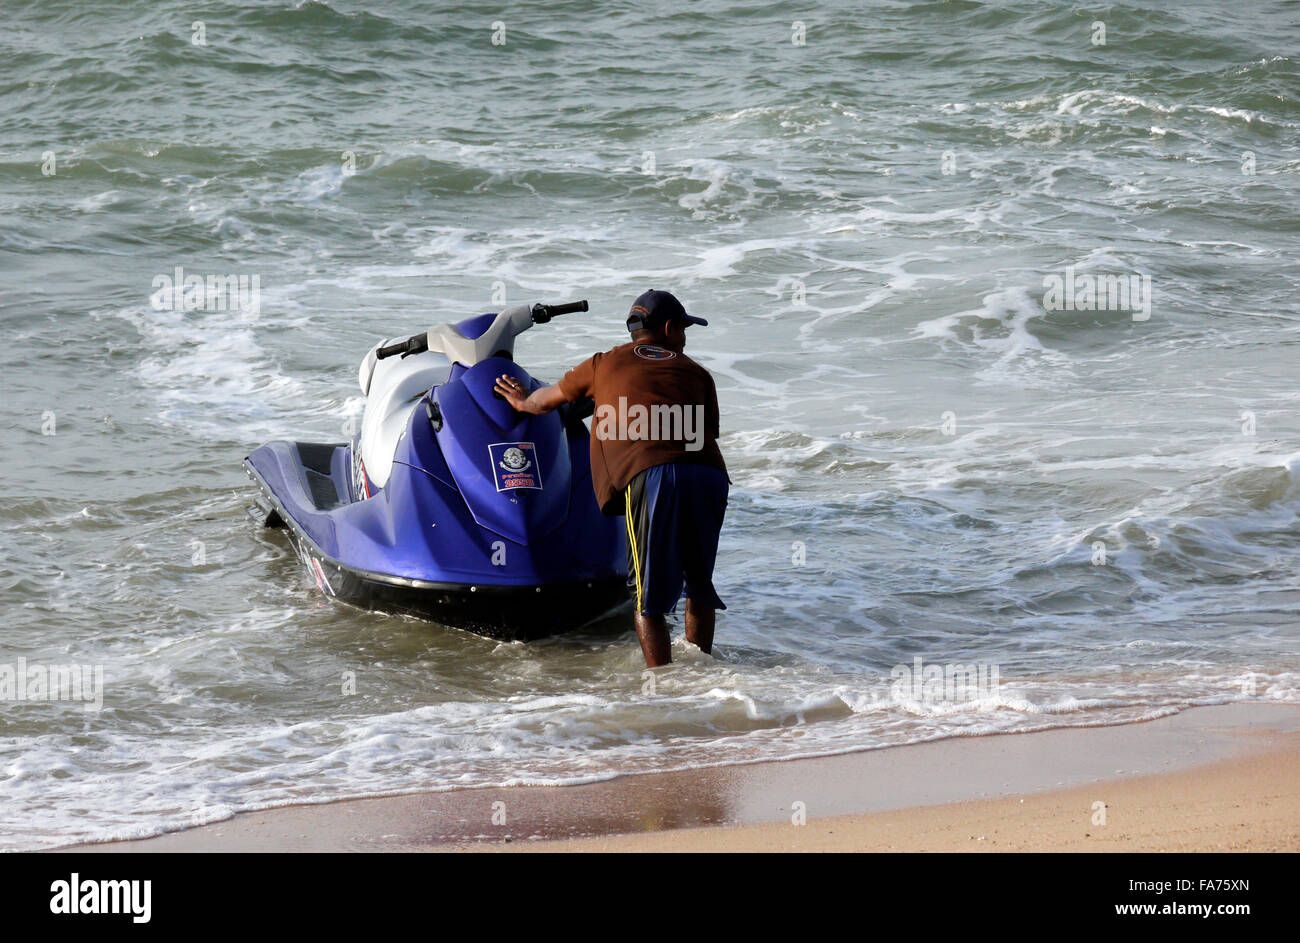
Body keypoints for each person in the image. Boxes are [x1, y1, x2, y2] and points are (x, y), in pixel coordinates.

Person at [493, 289, 729, 667]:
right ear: (669, 328)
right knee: (699, 587)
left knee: (646, 597)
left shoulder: (604, 364)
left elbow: (544, 401)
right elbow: (705, 432)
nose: (684, 338)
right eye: (683, 329)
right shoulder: (697, 372)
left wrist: (521, 401)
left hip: (650, 476)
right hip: (709, 476)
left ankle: (665, 687)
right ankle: (702, 672)